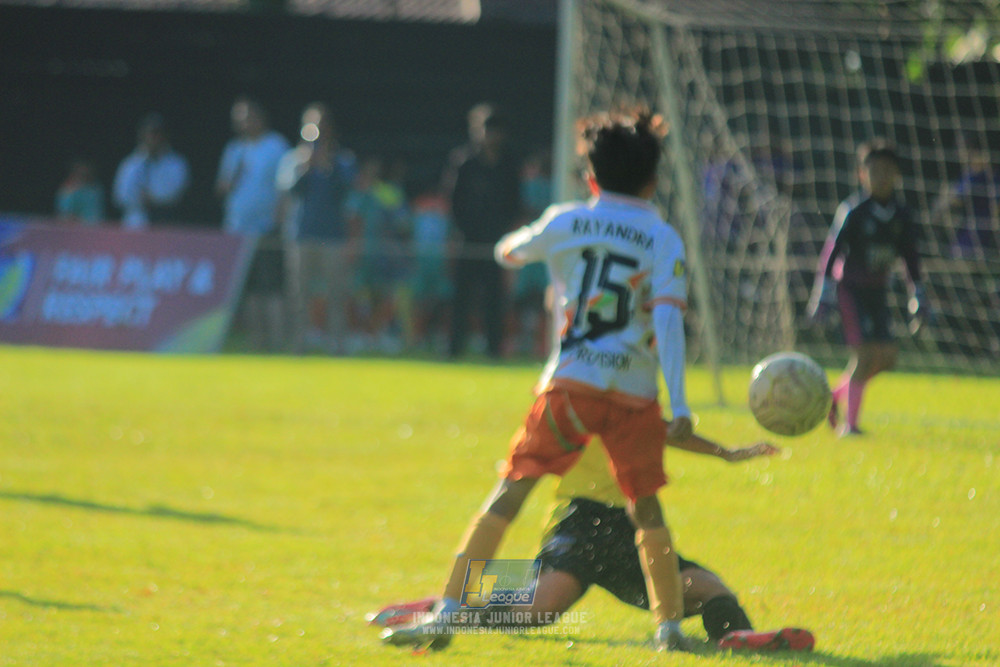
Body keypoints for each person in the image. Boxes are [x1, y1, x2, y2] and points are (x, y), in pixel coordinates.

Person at [384, 109, 698, 652]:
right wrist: (682, 402)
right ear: (652, 180)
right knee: (647, 509)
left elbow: (510, 252)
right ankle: (668, 629)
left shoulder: (567, 220)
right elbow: (669, 321)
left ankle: (449, 610)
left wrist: (533, 244)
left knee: (512, 490)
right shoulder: (663, 237)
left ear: (591, 178)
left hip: (570, 386)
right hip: (633, 395)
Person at [376, 431, 815, 652]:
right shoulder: (572, 401)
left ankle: (735, 636)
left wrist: (728, 453)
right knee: (539, 608)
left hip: (632, 531)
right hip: (578, 521)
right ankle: (442, 606)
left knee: (709, 591)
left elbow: (670, 430)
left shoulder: (634, 401)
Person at [807, 141, 925, 436]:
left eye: (887, 170)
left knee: (887, 358)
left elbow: (910, 258)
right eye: (874, 170)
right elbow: (831, 253)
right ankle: (851, 426)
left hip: (878, 291)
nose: (881, 176)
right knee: (864, 355)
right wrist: (822, 292)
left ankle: (832, 398)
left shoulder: (901, 215)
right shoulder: (853, 211)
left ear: (897, 175)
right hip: (851, 290)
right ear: (862, 174)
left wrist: (918, 294)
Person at [276, 102, 357, 354]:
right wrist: (305, 167)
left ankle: (337, 347)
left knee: (336, 295)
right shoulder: (292, 159)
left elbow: (346, 194)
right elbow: (289, 192)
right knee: (299, 296)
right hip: (301, 236)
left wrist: (326, 167)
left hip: (333, 238)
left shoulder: (343, 161)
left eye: (321, 127)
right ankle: (299, 347)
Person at [447, 103, 522, 358]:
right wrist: (463, 231)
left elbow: (514, 202)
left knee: (494, 299)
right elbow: (454, 201)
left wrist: (502, 232)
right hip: (468, 241)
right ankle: (455, 350)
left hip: (496, 243)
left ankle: (494, 350)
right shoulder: (464, 162)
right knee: (462, 299)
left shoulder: (509, 164)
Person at [216, 97, 290, 351]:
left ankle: (278, 341)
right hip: (237, 231)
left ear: (260, 118)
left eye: (247, 118)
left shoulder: (276, 145)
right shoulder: (234, 149)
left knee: (270, 288)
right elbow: (222, 187)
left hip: (265, 229)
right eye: (238, 120)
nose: (243, 124)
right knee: (247, 292)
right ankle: (256, 342)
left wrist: (279, 224)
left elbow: (284, 188)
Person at [112, 113, 189, 228]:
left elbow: (177, 194)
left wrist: (154, 198)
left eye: (158, 133)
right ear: (142, 135)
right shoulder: (130, 164)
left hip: (165, 224)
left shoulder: (176, 163)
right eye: (151, 133)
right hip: (135, 225)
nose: (154, 138)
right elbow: (119, 196)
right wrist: (139, 200)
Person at [56, 158, 105, 225]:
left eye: (86, 171)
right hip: (75, 229)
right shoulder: (67, 190)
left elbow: (99, 214)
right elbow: (64, 215)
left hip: (96, 228)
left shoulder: (96, 189)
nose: (84, 172)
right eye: (80, 171)